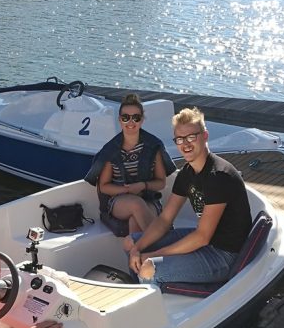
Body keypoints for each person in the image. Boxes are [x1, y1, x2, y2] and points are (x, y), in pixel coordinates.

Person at [125, 107, 252, 287]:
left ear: (205, 136)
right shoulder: (187, 173)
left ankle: (152, 299)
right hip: (204, 240)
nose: (185, 144)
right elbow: (165, 219)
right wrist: (137, 249)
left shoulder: (219, 176)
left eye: (191, 137)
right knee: (131, 243)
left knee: (148, 267)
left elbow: (202, 237)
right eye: (180, 139)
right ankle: (138, 286)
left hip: (223, 255)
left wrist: (153, 255)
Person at [84, 93, 176, 235]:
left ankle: (138, 256)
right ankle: (164, 247)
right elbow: (104, 187)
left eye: (136, 118)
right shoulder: (111, 149)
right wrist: (127, 190)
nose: (130, 122)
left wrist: (143, 186)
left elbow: (161, 182)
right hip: (119, 201)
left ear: (142, 120)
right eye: (125, 118)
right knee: (136, 204)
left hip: (148, 199)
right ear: (120, 120)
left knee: (135, 221)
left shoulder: (154, 146)